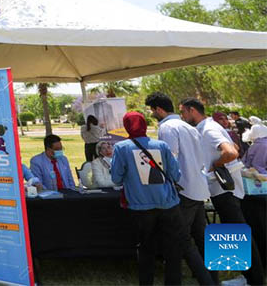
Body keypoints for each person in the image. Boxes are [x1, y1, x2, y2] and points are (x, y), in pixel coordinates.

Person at [110, 111, 202, 286]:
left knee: (146, 249)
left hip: (140, 207)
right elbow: (175, 174)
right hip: (168, 204)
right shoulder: (162, 146)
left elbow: (116, 177)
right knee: (173, 248)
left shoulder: (122, 148)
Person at [181, 98, 265, 286]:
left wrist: (214, 165)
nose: (182, 117)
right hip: (224, 189)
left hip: (225, 189)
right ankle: (246, 277)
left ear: (193, 110)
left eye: (183, 112)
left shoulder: (209, 130)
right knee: (232, 232)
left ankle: (254, 280)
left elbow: (232, 152)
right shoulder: (209, 126)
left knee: (238, 232)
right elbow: (235, 147)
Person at [146, 92, 215, 285]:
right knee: (201, 238)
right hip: (198, 188)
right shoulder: (188, 126)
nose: (152, 114)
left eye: (152, 110)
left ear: (159, 109)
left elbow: (170, 161)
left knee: (179, 241)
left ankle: (188, 280)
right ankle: (213, 278)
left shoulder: (168, 127)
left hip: (183, 190)